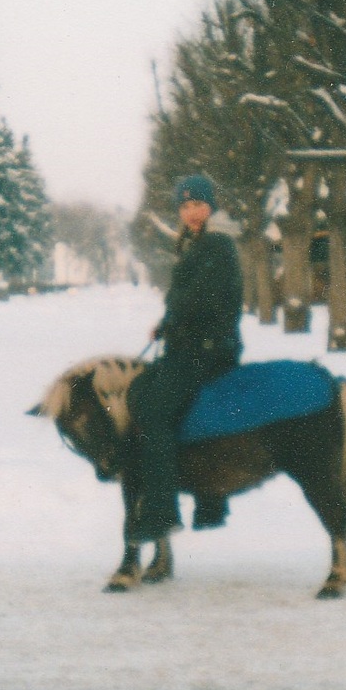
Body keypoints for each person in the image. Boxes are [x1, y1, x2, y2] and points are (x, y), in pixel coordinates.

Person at [127, 174, 243, 542]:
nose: (192, 212)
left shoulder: (216, 244)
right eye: (186, 205)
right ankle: (207, 498)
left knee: (155, 411)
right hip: (194, 345)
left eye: (199, 204)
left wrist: (174, 319)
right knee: (143, 389)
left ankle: (163, 512)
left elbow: (203, 300)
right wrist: (166, 324)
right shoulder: (196, 243)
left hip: (207, 351)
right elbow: (191, 299)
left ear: (212, 206)